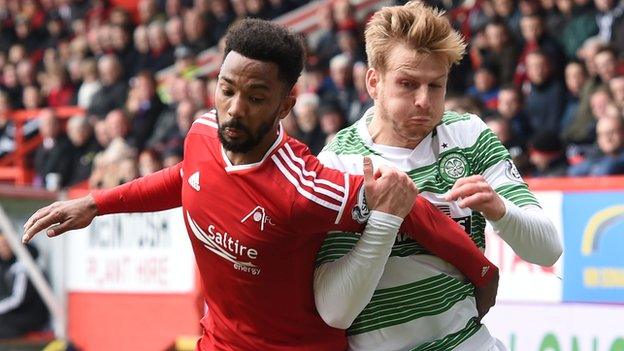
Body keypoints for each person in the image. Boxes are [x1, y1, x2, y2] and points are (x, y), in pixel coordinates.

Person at [22, 19, 498, 350]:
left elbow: (406, 206)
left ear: (286, 104)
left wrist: (481, 270)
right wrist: (96, 203)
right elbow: (187, 178)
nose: (233, 108)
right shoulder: (203, 132)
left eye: (255, 97)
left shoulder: (308, 187)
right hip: (218, 341)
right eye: (226, 89)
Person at [314, 3, 562, 350]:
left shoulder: (469, 135)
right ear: (374, 82)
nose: (423, 101)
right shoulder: (338, 162)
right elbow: (334, 311)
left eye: (436, 86)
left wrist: (499, 208)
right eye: (407, 84)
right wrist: (387, 220)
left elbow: (548, 250)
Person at [0, 231, 49, 338]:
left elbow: (18, 299)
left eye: (5, 244)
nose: (2, 249)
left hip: (32, 316)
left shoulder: (24, 265)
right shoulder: (5, 265)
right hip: (16, 314)